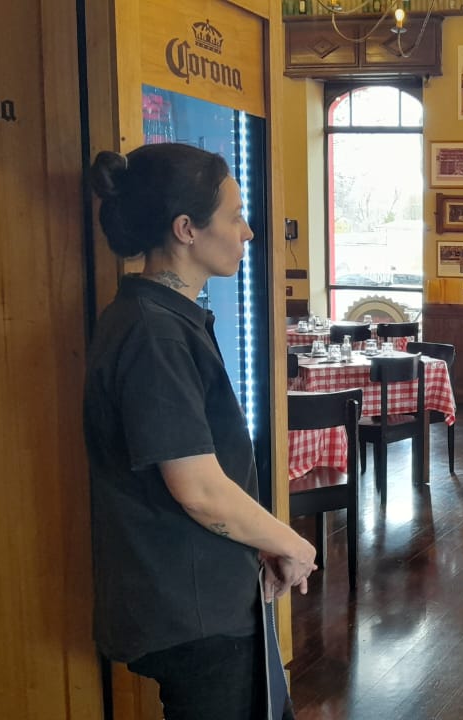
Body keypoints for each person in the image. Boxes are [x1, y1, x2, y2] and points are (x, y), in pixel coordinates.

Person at [84, 143, 318, 719]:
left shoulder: (162, 318)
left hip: (207, 598)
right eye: (235, 216)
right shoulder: (154, 333)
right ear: (186, 229)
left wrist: (262, 541)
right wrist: (290, 542)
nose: (248, 232)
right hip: (193, 612)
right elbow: (198, 488)